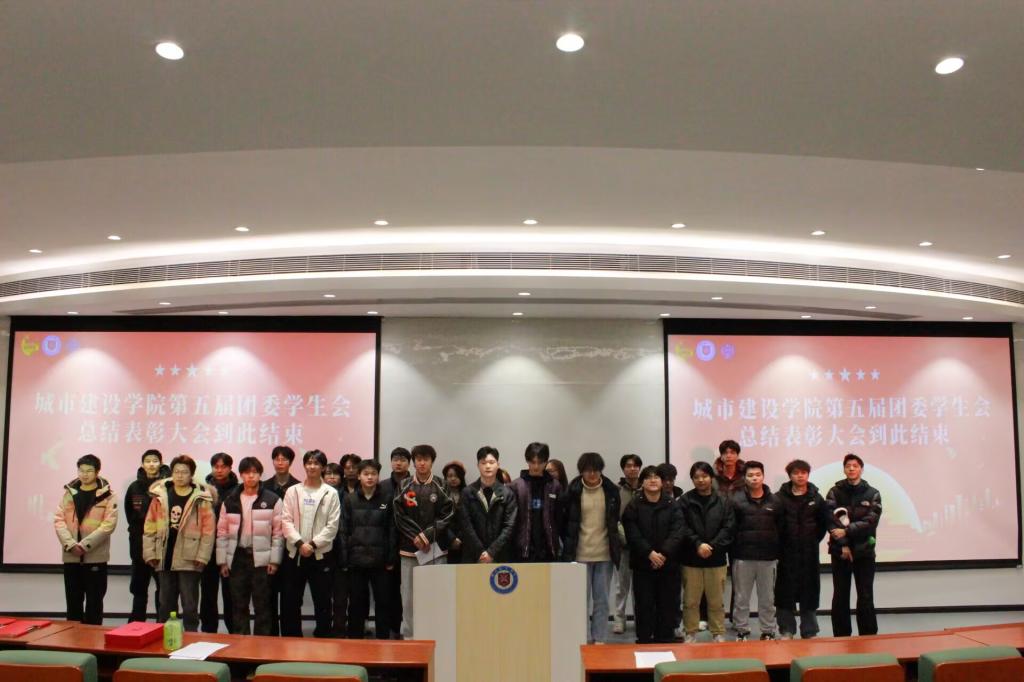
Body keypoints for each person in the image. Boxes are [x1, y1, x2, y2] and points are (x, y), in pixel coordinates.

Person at [143, 455, 215, 632]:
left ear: (192, 474)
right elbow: (149, 526)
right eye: (176, 471)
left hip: (190, 558)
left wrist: (202, 557)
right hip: (164, 556)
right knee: (165, 603)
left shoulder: (201, 498)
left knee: (190, 605)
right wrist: (150, 553)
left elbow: (208, 531)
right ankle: (164, 639)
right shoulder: (160, 496)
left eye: (184, 472)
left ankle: (191, 638)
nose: (180, 476)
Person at [217, 456, 283, 636]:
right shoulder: (230, 500)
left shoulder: (272, 499)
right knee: (239, 604)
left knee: (263, 605)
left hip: (261, 559)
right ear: (241, 475)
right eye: (247, 472)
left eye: (254, 472)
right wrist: (222, 562)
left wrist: (275, 561)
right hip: (237, 558)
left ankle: (262, 645)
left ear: (260, 474)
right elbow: (222, 532)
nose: (251, 476)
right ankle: (242, 643)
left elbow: (278, 533)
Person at [394, 444, 454, 637]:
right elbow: (399, 515)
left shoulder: (442, 485)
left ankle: (436, 633)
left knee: (436, 594)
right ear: (414, 462)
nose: (422, 463)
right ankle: (409, 636)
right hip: (409, 549)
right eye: (418, 459)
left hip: (435, 549)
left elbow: (448, 514)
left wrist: (427, 535)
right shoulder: (404, 485)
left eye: (425, 459)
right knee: (408, 597)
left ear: (432, 462)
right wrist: (416, 536)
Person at [561, 452, 621, 644]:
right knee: (580, 601)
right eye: (588, 470)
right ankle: (582, 637)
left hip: (604, 554)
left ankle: (599, 638)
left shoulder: (611, 491)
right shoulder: (572, 491)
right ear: (581, 472)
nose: (592, 474)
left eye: (596, 470)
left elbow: (614, 521)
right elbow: (565, 523)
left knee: (601, 600)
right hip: (579, 554)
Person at [281, 449, 341, 638]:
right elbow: (286, 521)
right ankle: (291, 640)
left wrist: (312, 545)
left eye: (316, 463)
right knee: (291, 601)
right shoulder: (293, 491)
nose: (312, 466)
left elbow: (332, 526)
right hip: (295, 554)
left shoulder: (330, 493)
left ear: (323, 467)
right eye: (309, 463)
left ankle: (323, 639)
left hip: (321, 556)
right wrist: (300, 544)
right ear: (304, 465)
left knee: (323, 601)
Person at [623, 465, 685, 644]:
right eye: (648, 477)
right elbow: (632, 533)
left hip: (668, 563)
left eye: (656, 477)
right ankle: (644, 637)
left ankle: (665, 637)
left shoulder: (672, 504)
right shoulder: (633, 505)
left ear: (662, 482)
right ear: (642, 482)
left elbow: (678, 531)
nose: (652, 480)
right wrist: (649, 553)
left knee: (668, 602)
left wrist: (663, 553)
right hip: (643, 563)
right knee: (644, 603)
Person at [55, 454, 118, 624]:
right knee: (73, 604)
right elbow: (59, 520)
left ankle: (93, 639)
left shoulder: (108, 495)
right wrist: (70, 544)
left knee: (94, 604)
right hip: (71, 557)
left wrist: (85, 545)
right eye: (81, 470)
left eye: (89, 471)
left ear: (97, 472)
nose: (84, 474)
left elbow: (108, 525)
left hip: (95, 557)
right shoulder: (69, 493)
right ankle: (72, 639)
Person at [340, 460, 398, 639]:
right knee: (356, 602)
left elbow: (392, 529)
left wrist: (391, 558)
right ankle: (355, 639)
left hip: (381, 560)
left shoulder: (387, 498)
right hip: (356, 560)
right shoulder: (350, 499)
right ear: (359, 476)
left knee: (383, 601)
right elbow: (343, 530)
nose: (370, 477)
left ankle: (383, 638)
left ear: (378, 476)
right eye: (366, 474)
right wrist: (345, 558)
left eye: (373, 473)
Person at [826, 453, 881, 637]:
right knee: (840, 596)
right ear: (844, 469)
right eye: (848, 466)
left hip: (864, 552)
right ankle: (841, 636)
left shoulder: (873, 493)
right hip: (840, 552)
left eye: (855, 466)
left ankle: (868, 636)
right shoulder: (834, 492)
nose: (851, 468)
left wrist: (847, 531)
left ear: (861, 469)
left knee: (865, 595)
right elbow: (831, 519)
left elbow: (871, 521)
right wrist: (843, 544)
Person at [679, 461, 735, 643]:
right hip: (691, 558)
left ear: (711, 478)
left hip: (716, 558)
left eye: (704, 476)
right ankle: (690, 632)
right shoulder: (685, 501)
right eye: (696, 477)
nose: (701, 480)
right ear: (692, 479)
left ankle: (718, 632)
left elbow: (728, 527)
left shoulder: (724, 500)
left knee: (716, 600)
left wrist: (711, 546)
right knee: (690, 600)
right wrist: (698, 544)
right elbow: (681, 527)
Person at [730, 460, 783, 641]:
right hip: (743, 557)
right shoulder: (736, 500)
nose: (754, 478)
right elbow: (731, 528)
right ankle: (742, 630)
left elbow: (781, 528)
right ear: (744, 478)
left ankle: (768, 630)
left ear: (763, 476)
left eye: (758, 475)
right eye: (750, 475)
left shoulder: (775, 501)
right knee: (741, 598)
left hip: (768, 558)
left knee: (767, 598)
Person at [775, 459, 828, 640]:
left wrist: (811, 539)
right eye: (796, 473)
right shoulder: (779, 497)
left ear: (808, 475)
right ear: (790, 475)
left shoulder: (816, 497)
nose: (800, 476)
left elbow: (823, 524)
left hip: (809, 553)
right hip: (785, 553)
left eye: (803, 473)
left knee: (809, 592)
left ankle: (810, 630)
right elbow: (775, 524)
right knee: (784, 593)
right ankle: (786, 630)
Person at [124, 449, 169, 622]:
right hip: (139, 545)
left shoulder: (168, 486)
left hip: (162, 544)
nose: (151, 464)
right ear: (142, 464)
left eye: (155, 461)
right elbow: (130, 515)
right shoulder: (134, 487)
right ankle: (136, 623)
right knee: (139, 588)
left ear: (160, 463)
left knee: (163, 589)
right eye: (148, 461)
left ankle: (161, 623)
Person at [457, 447, 518, 564]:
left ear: (498, 465)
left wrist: (491, 552)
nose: (488, 466)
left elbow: (509, 526)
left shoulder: (508, 494)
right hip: (473, 556)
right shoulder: (467, 492)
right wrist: (480, 552)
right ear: (478, 465)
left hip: (499, 556)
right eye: (483, 463)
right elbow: (466, 525)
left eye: (491, 462)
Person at [264, 445, 300, 636]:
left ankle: (290, 637)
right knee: (268, 595)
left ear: (290, 462)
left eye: (284, 459)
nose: (280, 462)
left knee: (290, 596)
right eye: (277, 459)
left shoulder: (299, 487)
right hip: (268, 547)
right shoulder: (263, 486)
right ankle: (270, 637)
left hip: (291, 548)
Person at [511, 442, 563, 562]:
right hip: (522, 548)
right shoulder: (516, 486)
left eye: (540, 462)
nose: (536, 466)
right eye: (532, 462)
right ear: (527, 461)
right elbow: (512, 520)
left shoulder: (555, 486)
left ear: (546, 462)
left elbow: (560, 518)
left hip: (548, 548)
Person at [380, 446, 412, 637]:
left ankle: (409, 628)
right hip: (387, 546)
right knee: (389, 591)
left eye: (403, 459)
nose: (398, 463)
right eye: (395, 459)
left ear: (409, 463)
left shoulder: (415, 484)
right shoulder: (382, 486)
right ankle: (393, 628)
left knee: (410, 591)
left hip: (410, 544)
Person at [613, 453, 643, 634]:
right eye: (628, 466)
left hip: (642, 547)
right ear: (623, 469)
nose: (632, 469)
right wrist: (625, 538)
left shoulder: (646, 489)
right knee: (621, 586)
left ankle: (641, 619)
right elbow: (614, 518)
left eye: (635, 466)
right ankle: (619, 619)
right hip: (623, 546)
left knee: (640, 587)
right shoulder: (617, 490)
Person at [323, 461, 349, 637]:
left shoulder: (348, 496)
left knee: (340, 597)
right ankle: (324, 630)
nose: (332, 477)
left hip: (342, 552)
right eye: (328, 474)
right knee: (324, 596)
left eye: (336, 474)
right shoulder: (319, 495)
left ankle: (339, 630)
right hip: (323, 550)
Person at [442, 461, 467, 564]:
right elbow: (439, 519)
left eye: (456, 476)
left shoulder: (468, 494)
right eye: (450, 476)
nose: (453, 479)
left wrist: (459, 538)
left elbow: (470, 520)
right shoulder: (440, 495)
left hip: (464, 542)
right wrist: (452, 538)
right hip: (445, 540)